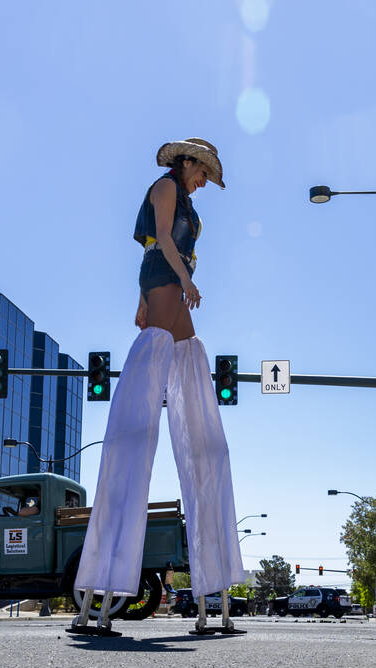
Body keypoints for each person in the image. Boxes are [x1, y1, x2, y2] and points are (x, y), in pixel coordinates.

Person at [70, 138, 243, 638]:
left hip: (166, 294)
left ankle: (215, 604)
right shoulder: (164, 186)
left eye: (208, 175)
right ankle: (99, 605)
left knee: (206, 446)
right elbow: (161, 241)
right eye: (202, 171)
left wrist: (151, 294)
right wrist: (180, 281)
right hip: (167, 287)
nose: (204, 181)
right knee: (136, 439)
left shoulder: (187, 200)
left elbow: (161, 251)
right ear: (186, 162)